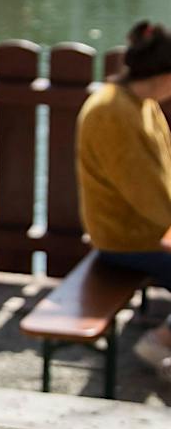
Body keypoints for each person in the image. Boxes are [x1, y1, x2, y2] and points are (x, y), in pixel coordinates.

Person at [76, 21, 171, 380]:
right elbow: (148, 198)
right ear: (163, 75)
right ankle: (159, 342)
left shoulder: (138, 101)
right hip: (127, 237)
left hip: (150, 229)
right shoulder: (113, 112)